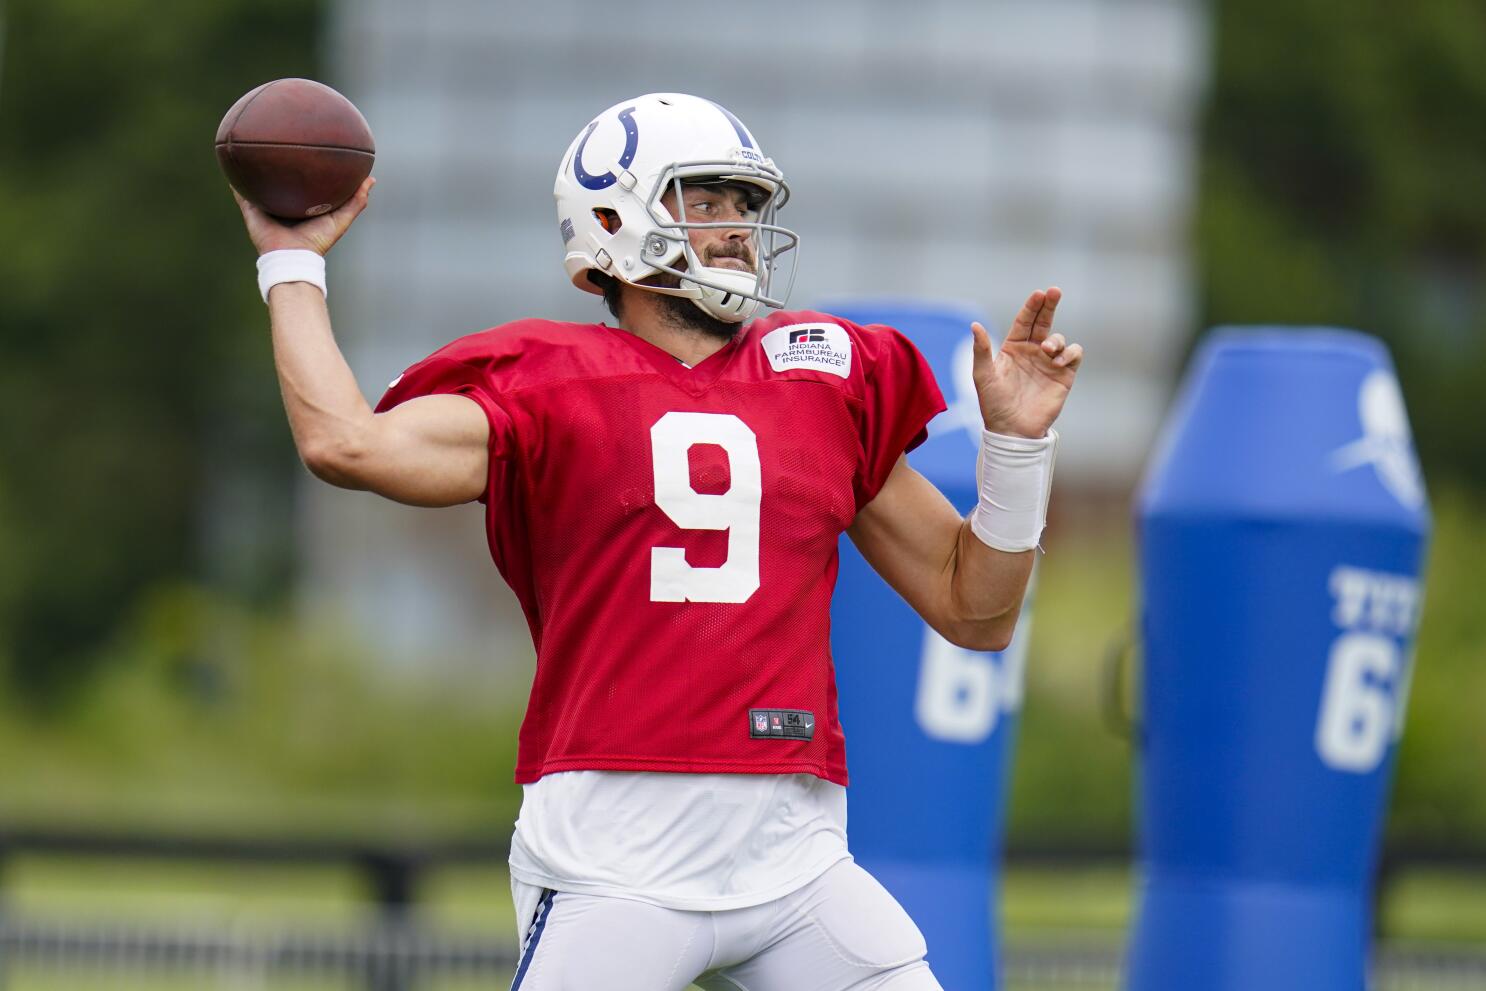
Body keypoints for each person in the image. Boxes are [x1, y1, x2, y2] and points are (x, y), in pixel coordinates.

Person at [234, 92, 1082, 990]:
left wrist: (1018, 449)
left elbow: (976, 611)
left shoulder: (824, 375)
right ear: (610, 223)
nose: (735, 231)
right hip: (616, 855)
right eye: (704, 202)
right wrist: (291, 264)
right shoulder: (544, 379)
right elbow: (345, 442)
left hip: (794, 855)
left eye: (745, 207)